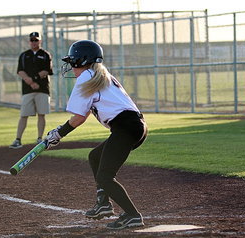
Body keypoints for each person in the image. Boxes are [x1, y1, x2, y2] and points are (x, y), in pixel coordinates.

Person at [45, 40, 147, 229]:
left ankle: (133, 215)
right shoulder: (100, 74)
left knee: (105, 176)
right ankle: (103, 204)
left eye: (73, 61)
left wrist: (58, 134)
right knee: (95, 157)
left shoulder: (86, 77)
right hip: (134, 126)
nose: (71, 66)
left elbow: (78, 118)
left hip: (126, 127)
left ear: (81, 61)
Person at [10, 32, 53, 149]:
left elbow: (47, 71)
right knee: (24, 114)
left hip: (42, 89)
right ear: (29, 41)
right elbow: (20, 71)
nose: (34, 42)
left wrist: (34, 80)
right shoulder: (24, 55)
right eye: (32, 40)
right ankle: (18, 139)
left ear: (40, 41)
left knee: (41, 114)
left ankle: (39, 138)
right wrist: (29, 81)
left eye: (36, 40)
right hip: (27, 89)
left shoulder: (45, 55)